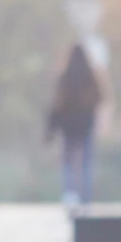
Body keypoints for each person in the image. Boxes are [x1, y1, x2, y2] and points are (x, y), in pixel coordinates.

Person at [46, 42, 103, 207]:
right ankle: (86, 198)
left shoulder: (65, 77)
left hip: (69, 127)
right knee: (86, 163)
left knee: (68, 163)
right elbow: (99, 98)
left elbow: (58, 103)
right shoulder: (91, 77)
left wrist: (52, 127)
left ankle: (69, 195)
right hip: (85, 125)